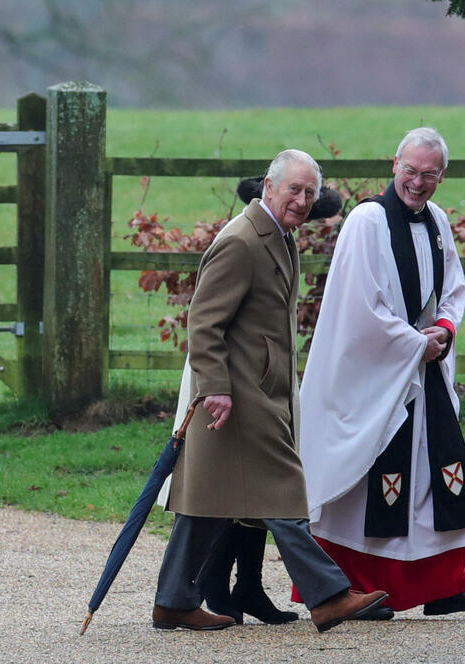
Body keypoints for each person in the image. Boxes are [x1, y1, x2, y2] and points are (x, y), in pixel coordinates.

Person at [152, 149, 388, 633]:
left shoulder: (280, 238)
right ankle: (329, 596)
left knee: (208, 502)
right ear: (268, 186)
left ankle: (173, 601)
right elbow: (203, 323)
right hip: (239, 396)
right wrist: (215, 388)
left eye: (309, 193)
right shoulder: (242, 241)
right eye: (294, 190)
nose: (302, 201)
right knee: (284, 490)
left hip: (263, 391)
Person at [296, 128, 465, 618]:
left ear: (441, 177)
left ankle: (445, 586)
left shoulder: (437, 221)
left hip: (422, 367)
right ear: (395, 165)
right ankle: (352, 589)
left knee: (436, 475)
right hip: (374, 374)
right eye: (410, 171)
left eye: (428, 175)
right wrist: (415, 343)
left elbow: (453, 287)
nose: (417, 183)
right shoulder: (367, 222)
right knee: (368, 479)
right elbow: (359, 305)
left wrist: (445, 332)